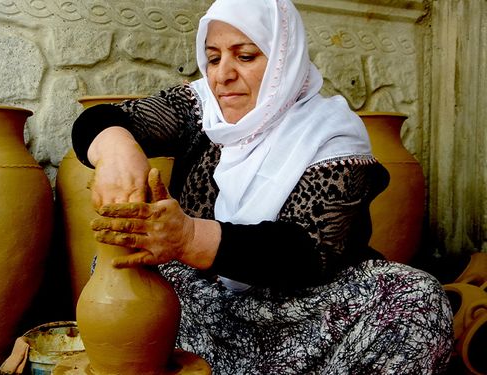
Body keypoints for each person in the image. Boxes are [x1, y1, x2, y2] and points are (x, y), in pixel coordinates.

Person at [70, 0, 454, 373]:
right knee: (120, 269)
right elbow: (101, 120)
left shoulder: (332, 136)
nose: (223, 75)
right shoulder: (204, 108)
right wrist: (117, 148)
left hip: (305, 314)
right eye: (214, 57)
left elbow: (305, 253)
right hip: (212, 310)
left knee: (415, 295)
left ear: (284, 57)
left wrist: (188, 237)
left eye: (246, 56)